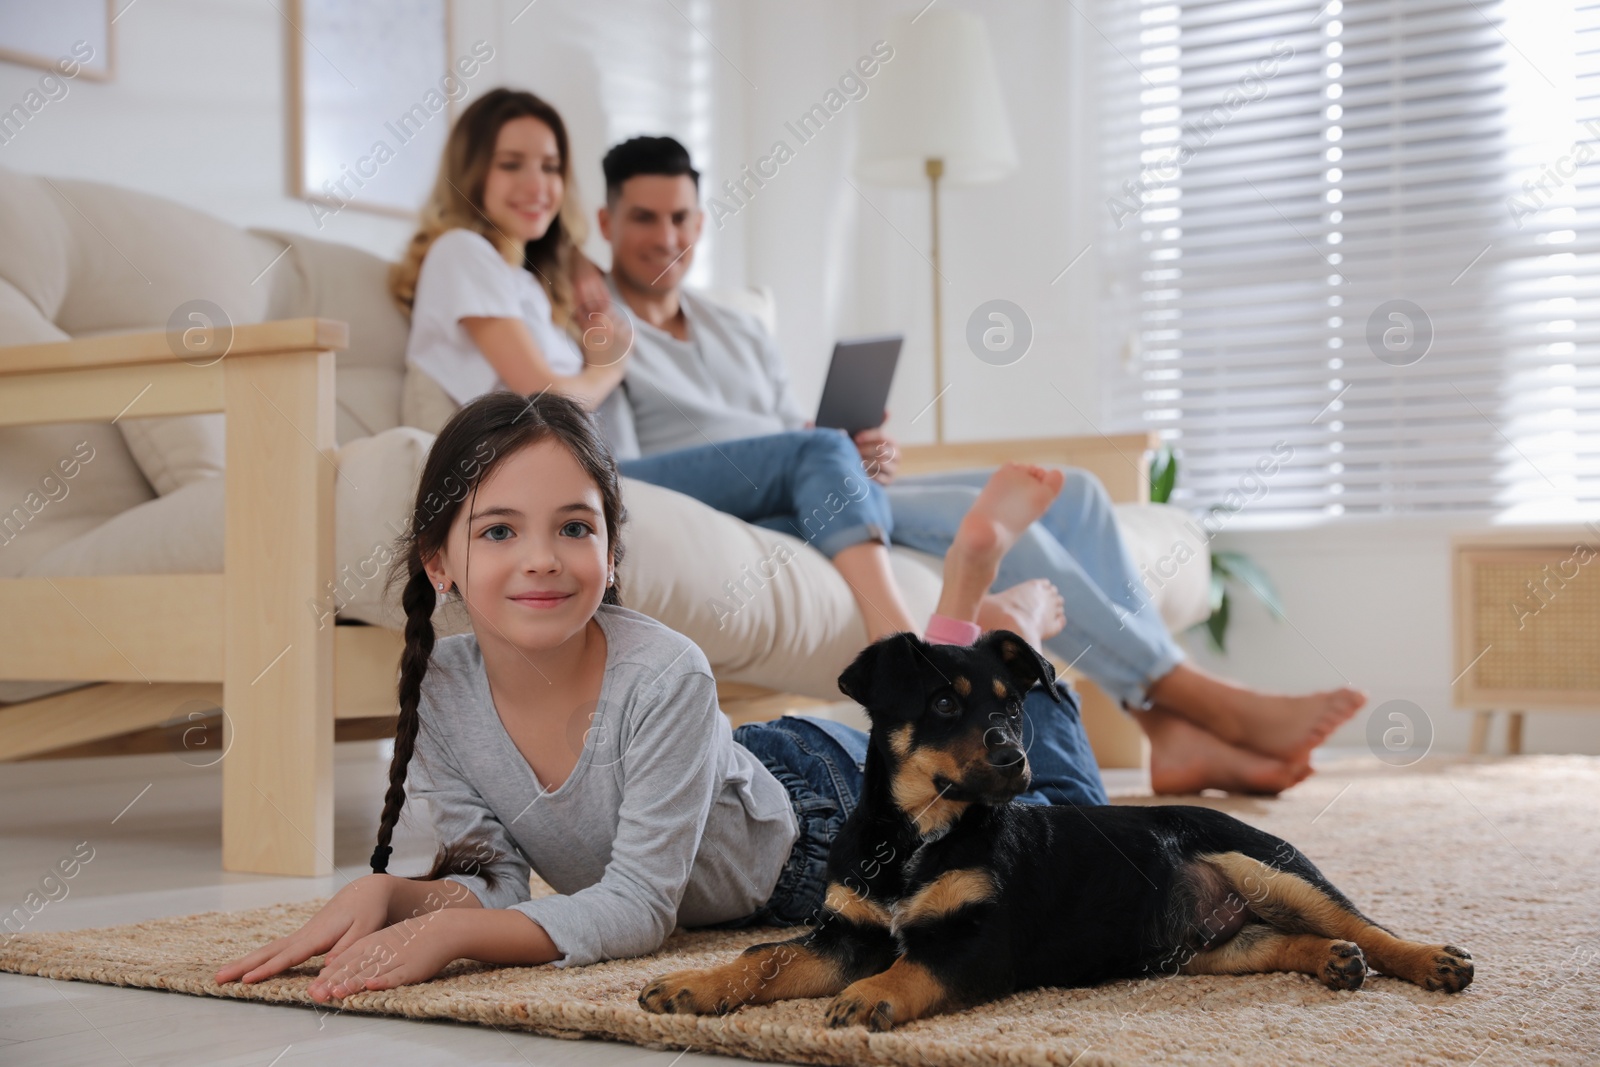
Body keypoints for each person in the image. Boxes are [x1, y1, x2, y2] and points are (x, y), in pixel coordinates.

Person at [213, 392, 1104, 998]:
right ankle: (954, 636)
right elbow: (497, 884)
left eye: (574, 526)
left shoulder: (665, 667)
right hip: (739, 773)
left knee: (1063, 835)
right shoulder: (445, 689)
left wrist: (452, 940)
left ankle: (986, 623)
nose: (542, 557)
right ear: (440, 562)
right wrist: (395, 898)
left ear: (610, 548)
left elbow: (640, 906)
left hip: (819, 817)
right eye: (498, 530)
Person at [593, 135, 1368, 796]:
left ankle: (1166, 731)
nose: (666, 237)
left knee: (1082, 496)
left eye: (681, 217)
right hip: (752, 510)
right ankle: (1187, 693)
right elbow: (631, 471)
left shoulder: (735, 324)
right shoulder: (603, 336)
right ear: (605, 222)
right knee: (1005, 522)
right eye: (643, 219)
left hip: (820, 484)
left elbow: (785, 428)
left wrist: (846, 447)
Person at [390, 87, 1071, 649]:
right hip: (578, 476)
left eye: (549, 166)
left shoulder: (527, 280)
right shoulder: (462, 253)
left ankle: (966, 616)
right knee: (820, 451)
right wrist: (606, 364)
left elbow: (564, 262)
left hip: (587, 473)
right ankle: (902, 649)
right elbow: (545, 395)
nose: (537, 184)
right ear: (472, 169)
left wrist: (574, 271)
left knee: (810, 482)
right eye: (512, 165)